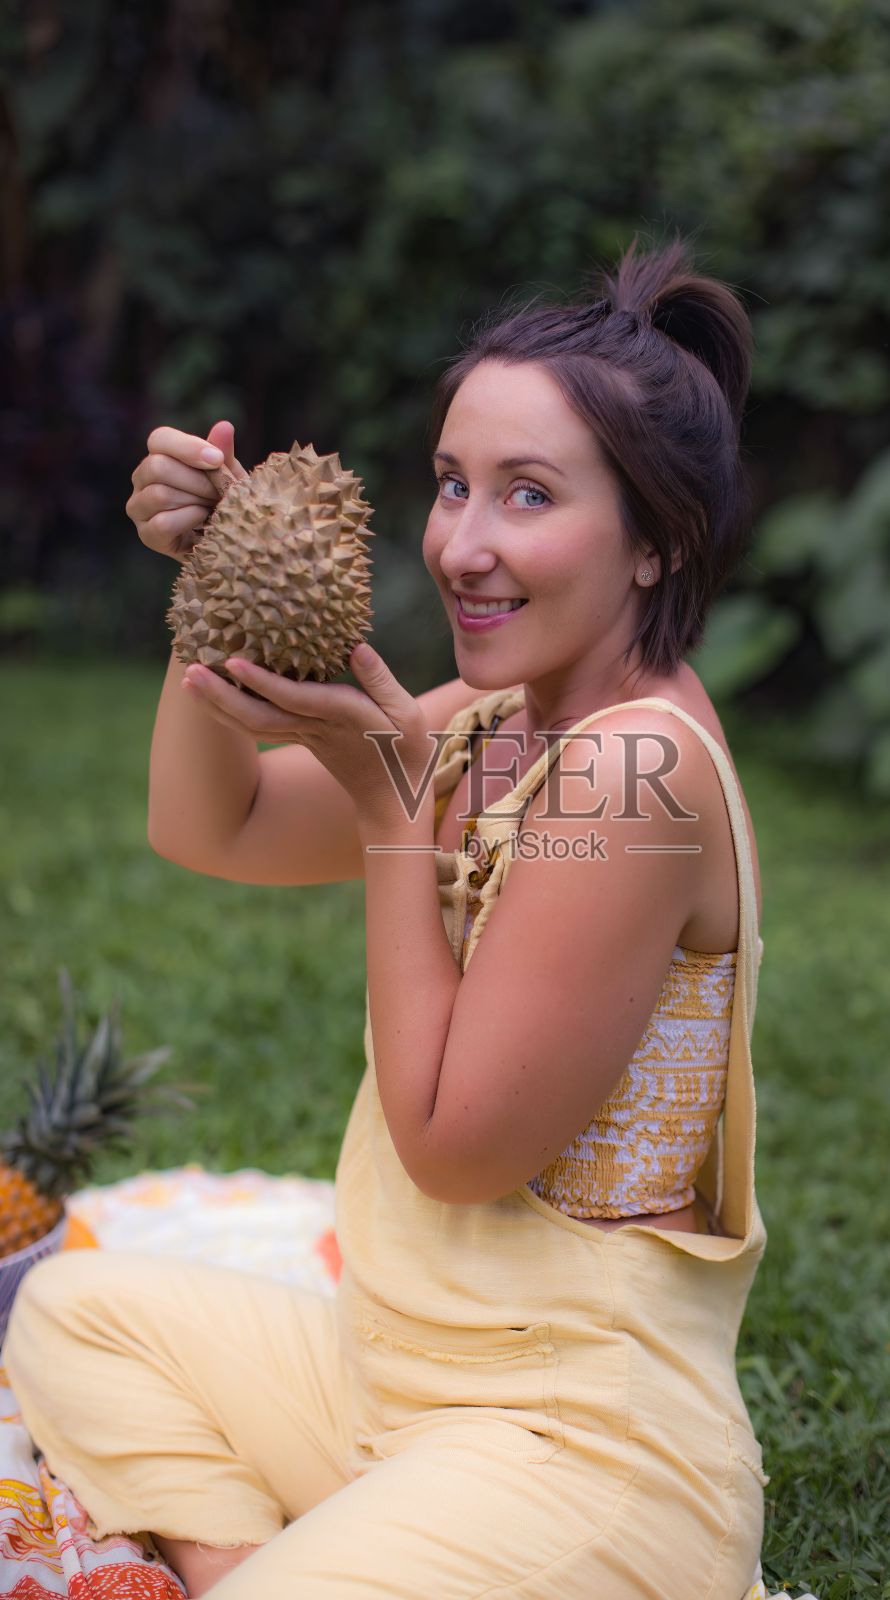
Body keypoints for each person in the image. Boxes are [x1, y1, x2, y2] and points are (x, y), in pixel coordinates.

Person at [4, 232, 773, 1597]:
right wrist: (223, 583)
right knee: (73, 1312)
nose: (461, 546)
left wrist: (388, 816)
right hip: (389, 1390)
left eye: (528, 496)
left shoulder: (633, 772)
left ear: (657, 541)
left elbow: (456, 1147)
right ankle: (262, 1561)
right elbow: (211, 825)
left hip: (574, 1448)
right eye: (452, 484)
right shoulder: (487, 726)